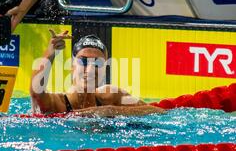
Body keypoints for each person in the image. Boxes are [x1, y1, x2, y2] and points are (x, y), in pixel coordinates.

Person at [30, 30, 166, 116]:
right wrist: (50, 52)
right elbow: (36, 92)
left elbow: (156, 112)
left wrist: (110, 111)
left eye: (97, 63)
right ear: (72, 66)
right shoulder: (57, 103)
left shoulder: (111, 96)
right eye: (83, 61)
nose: (90, 69)